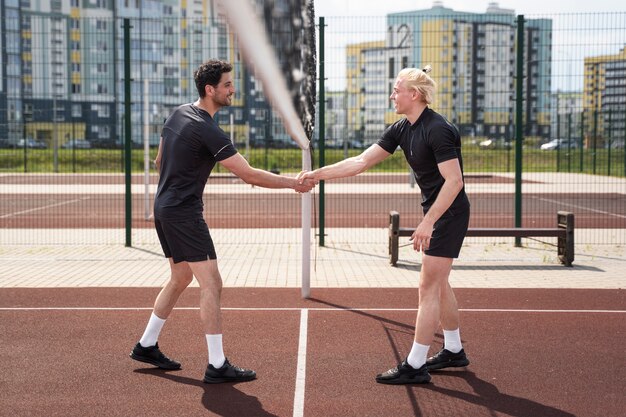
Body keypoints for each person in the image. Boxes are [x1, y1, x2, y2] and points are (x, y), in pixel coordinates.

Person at [130, 59, 316, 383]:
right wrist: (293, 184)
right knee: (212, 283)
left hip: (164, 207)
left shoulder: (176, 114)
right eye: (228, 85)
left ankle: (146, 344)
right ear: (210, 89)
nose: (233, 90)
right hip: (183, 213)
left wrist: (177, 184)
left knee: (179, 277)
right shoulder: (207, 128)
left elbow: (160, 160)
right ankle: (217, 365)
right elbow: (248, 175)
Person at [297, 65, 471, 385]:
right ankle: (454, 349)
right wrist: (316, 174)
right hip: (437, 213)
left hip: (448, 214)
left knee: (427, 286)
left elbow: (455, 181)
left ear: (414, 94)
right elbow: (360, 162)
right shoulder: (402, 129)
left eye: (396, 90)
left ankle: (416, 364)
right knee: (439, 282)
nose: (392, 95)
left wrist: (428, 221)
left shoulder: (438, 129)